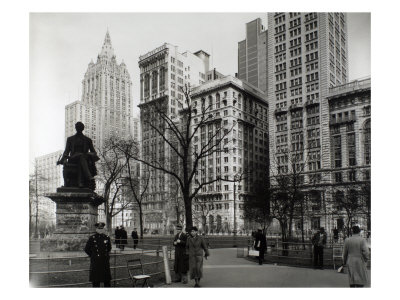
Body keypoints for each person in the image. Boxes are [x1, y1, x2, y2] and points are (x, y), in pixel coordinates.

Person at [59, 122, 99, 188]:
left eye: (80, 127)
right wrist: (62, 160)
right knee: (81, 158)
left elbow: (94, 152)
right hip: (72, 159)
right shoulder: (70, 139)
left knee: (81, 158)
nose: (78, 128)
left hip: (84, 158)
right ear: (76, 128)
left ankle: (80, 183)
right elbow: (66, 151)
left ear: (82, 128)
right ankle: (89, 177)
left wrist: (88, 154)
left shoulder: (88, 140)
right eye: (77, 127)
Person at [84, 222, 112, 287]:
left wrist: (105, 255)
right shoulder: (92, 238)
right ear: (96, 229)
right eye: (99, 228)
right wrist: (93, 255)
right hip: (96, 262)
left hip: (104, 261)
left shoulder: (106, 238)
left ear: (103, 229)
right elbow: (87, 249)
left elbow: (109, 248)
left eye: (101, 228)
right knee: (96, 281)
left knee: (107, 281)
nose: (100, 230)